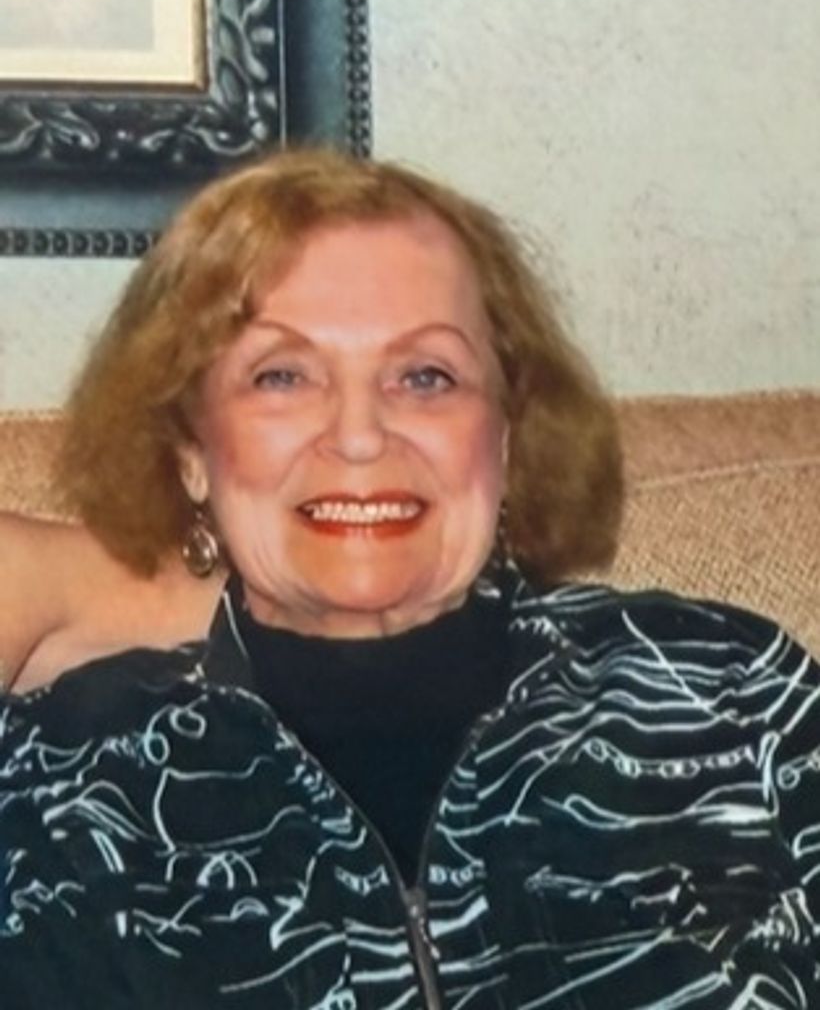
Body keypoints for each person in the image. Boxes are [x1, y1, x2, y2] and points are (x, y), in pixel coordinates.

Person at [0, 148, 818, 1009]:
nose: (360, 436)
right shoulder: (66, 794)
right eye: (282, 376)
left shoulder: (728, 689)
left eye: (426, 377)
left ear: (507, 433)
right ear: (192, 451)